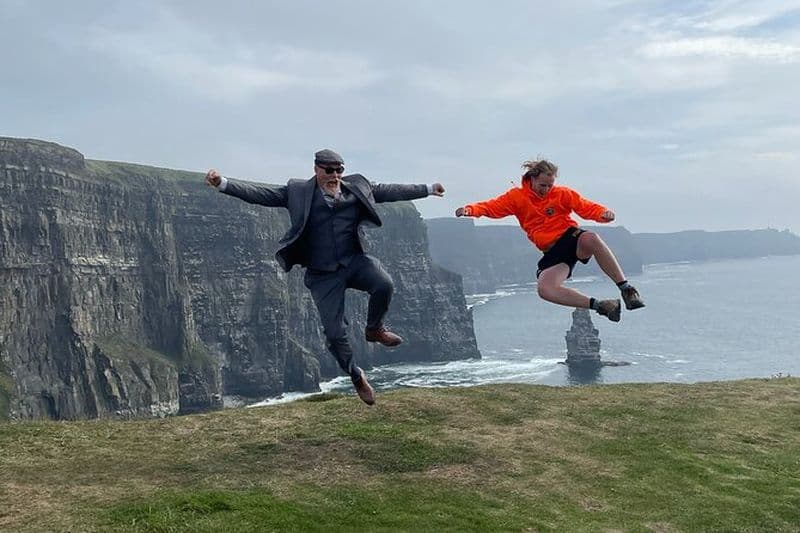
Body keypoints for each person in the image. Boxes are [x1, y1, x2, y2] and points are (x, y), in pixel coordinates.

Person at [205, 149, 445, 405]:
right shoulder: (297, 191)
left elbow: (390, 191)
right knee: (334, 333)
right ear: (316, 169)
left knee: (384, 283)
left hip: (355, 261)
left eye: (339, 170)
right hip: (323, 274)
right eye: (329, 170)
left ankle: (374, 329)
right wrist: (223, 184)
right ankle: (356, 376)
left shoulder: (357, 187)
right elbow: (262, 195)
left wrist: (429, 188)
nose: (335, 176)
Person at [455, 158, 644, 322]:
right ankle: (603, 306)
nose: (546, 189)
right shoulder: (516, 198)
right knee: (545, 289)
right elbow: (491, 207)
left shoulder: (562, 194)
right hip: (552, 252)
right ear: (532, 179)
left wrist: (603, 214)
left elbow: (585, 207)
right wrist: (469, 210)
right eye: (542, 185)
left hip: (570, 238)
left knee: (592, 238)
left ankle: (627, 289)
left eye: (550, 185)